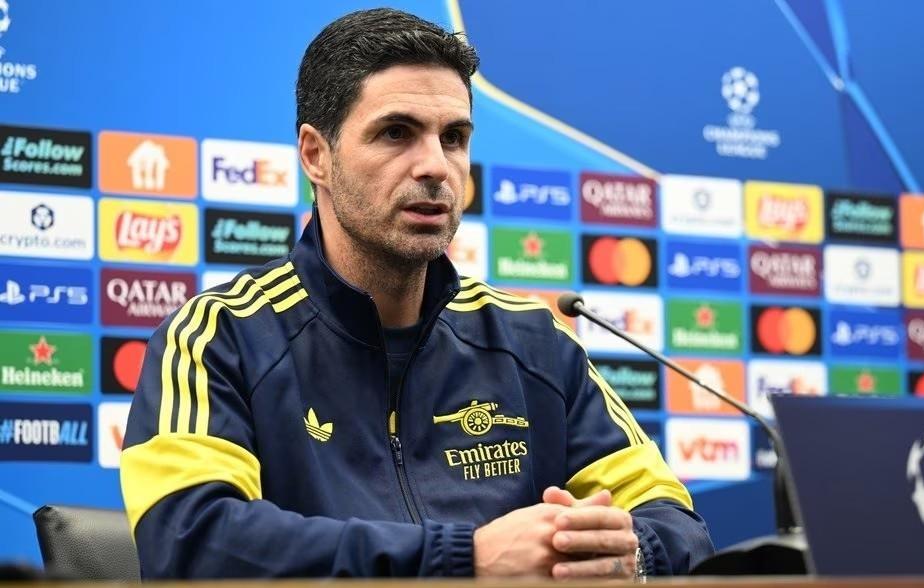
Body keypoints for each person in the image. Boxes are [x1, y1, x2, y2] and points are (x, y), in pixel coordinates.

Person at [120, 7, 715, 580]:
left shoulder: (533, 343)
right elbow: (191, 543)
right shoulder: (220, 338)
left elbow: (677, 527)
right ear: (316, 155)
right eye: (396, 133)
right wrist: (465, 561)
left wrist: (623, 558)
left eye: (453, 137)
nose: (435, 165)